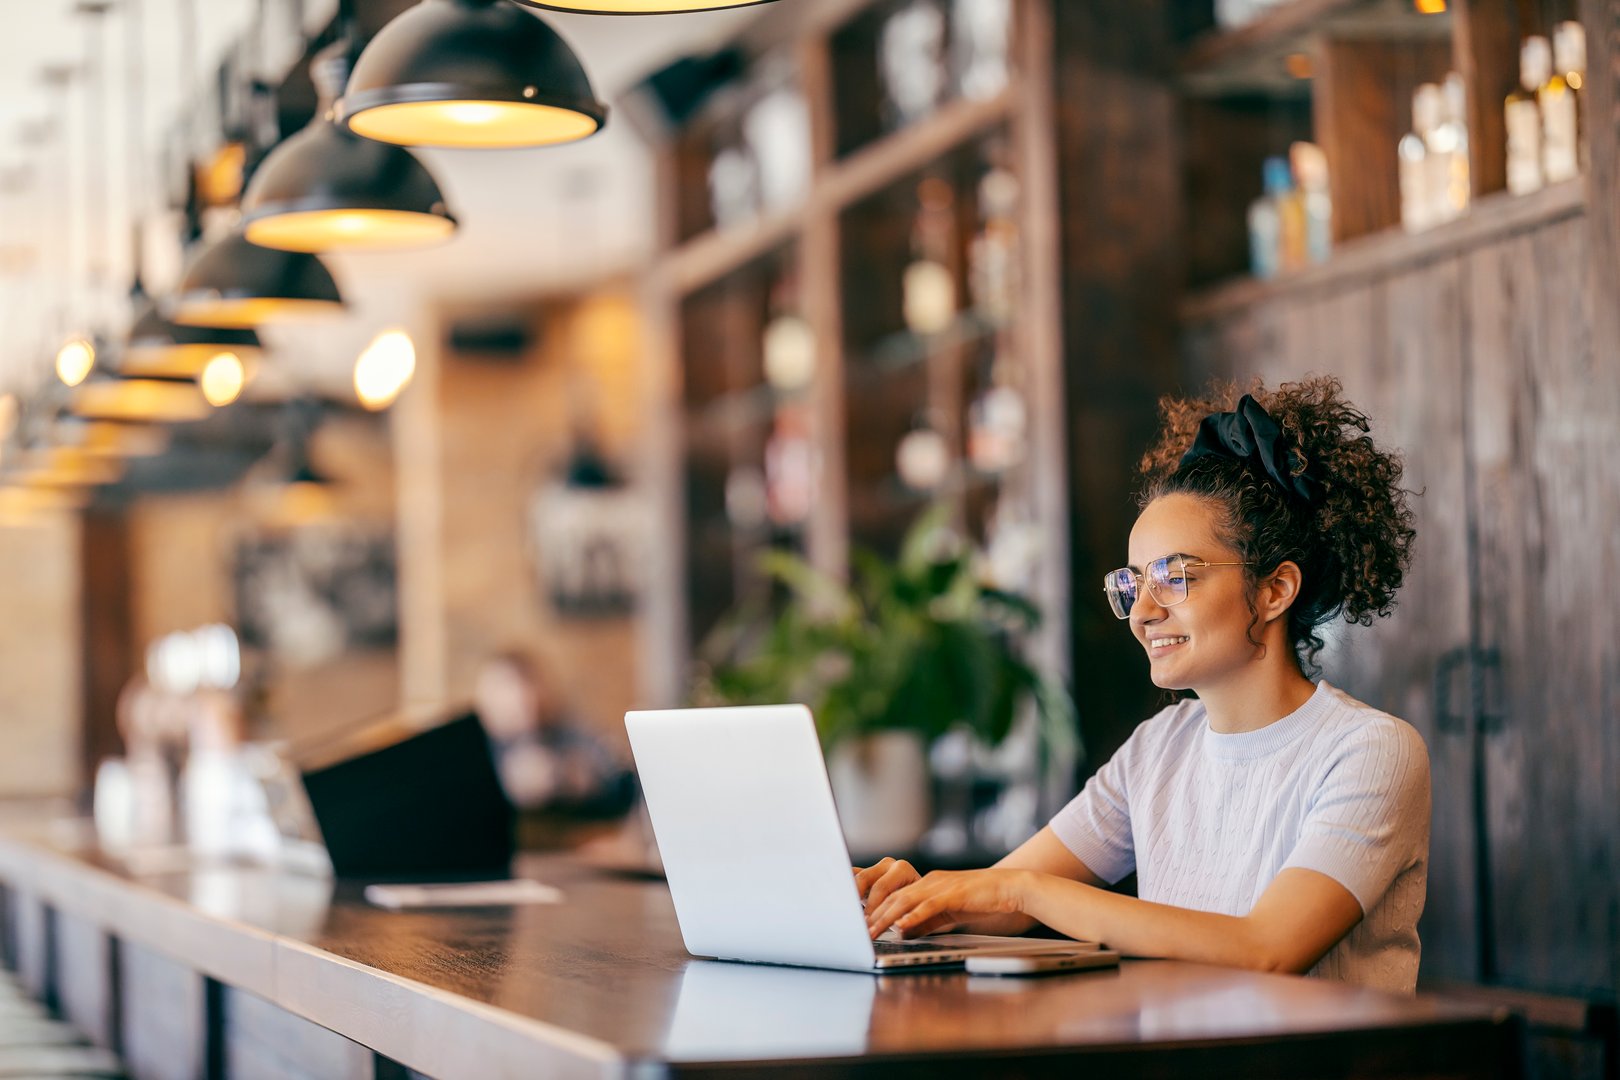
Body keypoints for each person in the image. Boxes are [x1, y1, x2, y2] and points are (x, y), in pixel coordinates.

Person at [858, 377, 1429, 994]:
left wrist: (1021, 890)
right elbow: (1002, 902)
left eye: (1175, 577)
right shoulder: (1159, 748)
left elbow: (1266, 949)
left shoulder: (1371, 751)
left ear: (1274, 590)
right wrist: (912, 898)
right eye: (1133, 585)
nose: (1142, 613)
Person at [473, 650, 635, 821]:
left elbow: (614, 774)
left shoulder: (567, 732)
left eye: (524, 687)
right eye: (503, 689)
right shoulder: (481, 751)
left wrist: (567, 775)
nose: (520, 699)